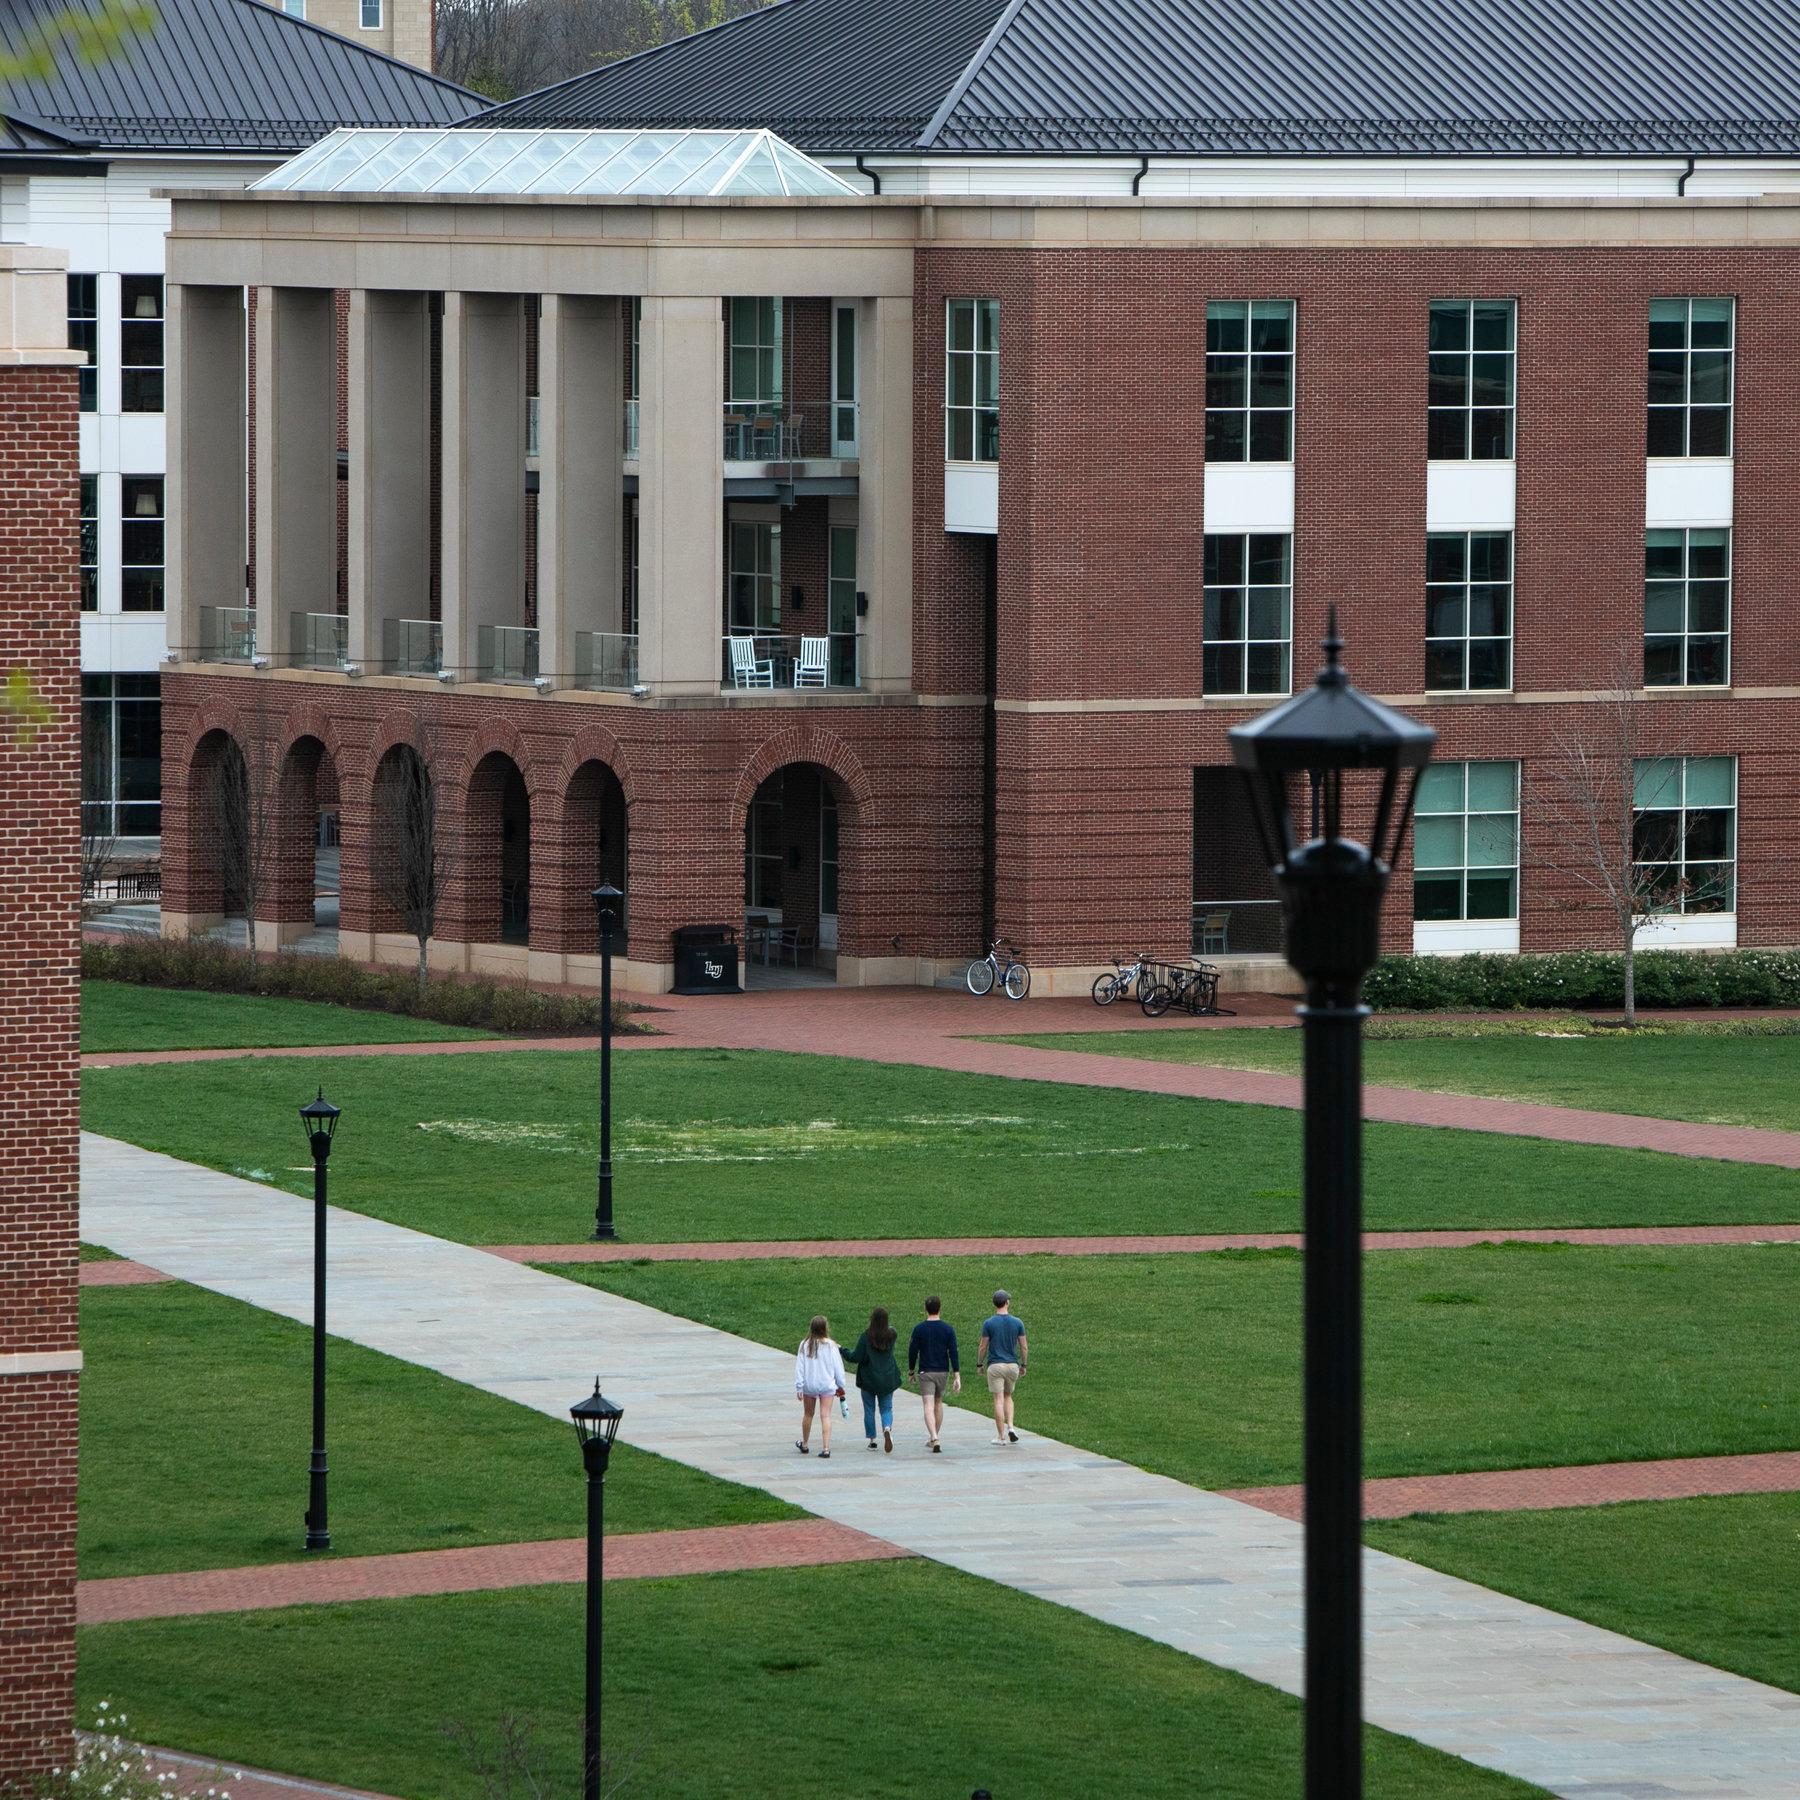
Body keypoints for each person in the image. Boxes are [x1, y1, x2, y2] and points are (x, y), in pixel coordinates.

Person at [844, 1305, 904, 1453]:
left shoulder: (866, 1337)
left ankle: (872, 1441)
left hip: (869, 1379)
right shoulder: (892, 1335)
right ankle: (887, 1428)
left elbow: (855, 1357)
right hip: (888, 1378)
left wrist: (841, 1350)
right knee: (886, 1408)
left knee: (869, 1410)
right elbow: (891, 1328)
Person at [907, 1294, 961, 1452]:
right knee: (938, 1403)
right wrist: (957, 1375)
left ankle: (934, 1437)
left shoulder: (919, 1329)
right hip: (942, 1371)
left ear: (925, 1309)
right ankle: (934, 1435)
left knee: (928, 1406)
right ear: (940, 1309)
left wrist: (911, 1371)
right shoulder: (948, 1329)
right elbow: (953, 1353)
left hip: (926, 1371)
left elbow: (913, 1352)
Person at [977, 1289, 1028, 1445]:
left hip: (995, 1366)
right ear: (1007, 1302)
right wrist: (1023, 1364)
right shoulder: (1018, 1322)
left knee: (998, 1399)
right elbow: (1024, 1347)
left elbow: (983, 1347)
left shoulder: (989, 1323)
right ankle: (1011, 1427)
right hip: (1012, 1365)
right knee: (1008, 1396)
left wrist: (979, 1363)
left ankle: (1001, 1436)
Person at [793, 1314, 846, 1458]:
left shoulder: (805, 1344)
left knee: (808, 1414)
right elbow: (838, 1367)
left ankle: (805, 1444)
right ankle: (826, 1448)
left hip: (810, 1385)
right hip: (827, 1385)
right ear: (824, 1328)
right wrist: (841, 1385)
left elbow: (800, 1367)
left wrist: (799, 1386)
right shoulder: (831, 1345)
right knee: (826, 1416)